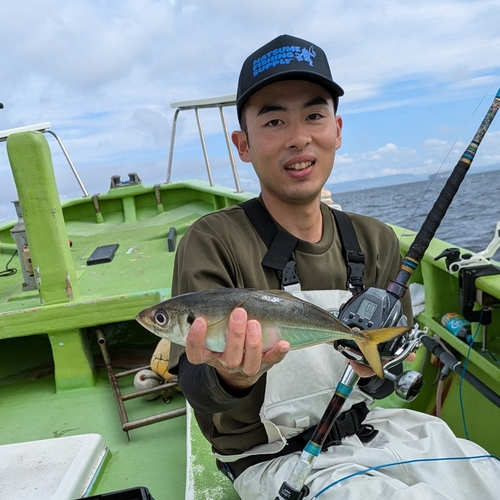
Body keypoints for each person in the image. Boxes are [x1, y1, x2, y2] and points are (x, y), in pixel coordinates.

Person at [167, 35, 499, 499]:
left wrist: (375, 372)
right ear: (243, 144)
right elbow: (198, 390)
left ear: (337, 130)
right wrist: (232, 376)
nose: (299, 137)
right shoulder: (214, 241)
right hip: (274, 460)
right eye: (275, 119)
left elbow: (383, 384)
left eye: (314, 115)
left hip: (380, 428)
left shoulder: (377, 239)